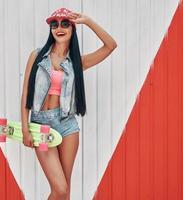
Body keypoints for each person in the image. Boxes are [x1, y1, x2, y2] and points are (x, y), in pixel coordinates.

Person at [20, 7, 117, 200]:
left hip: (67, 126)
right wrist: (25, 128)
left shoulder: (77, 63)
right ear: (51, 30)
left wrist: (87, 21)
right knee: (60, 188)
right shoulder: (37, 56)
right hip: (41, 126)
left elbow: (111, 45)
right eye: (55, 24)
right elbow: (25, 95)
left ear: (72, 28)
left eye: (65, 23)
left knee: (64, 191)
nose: (59, 28)